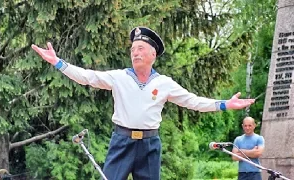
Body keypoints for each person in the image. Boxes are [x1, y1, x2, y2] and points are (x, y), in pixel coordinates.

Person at [32, 26, 255, 180]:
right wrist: (58, 63)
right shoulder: (119, 77)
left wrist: (225, 104)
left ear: (153, 55)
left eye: (140, 49)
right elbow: (87, 77)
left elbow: (192, 101)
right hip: (122, 142)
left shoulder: (164, 83)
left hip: (149, 146)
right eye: (132, 50)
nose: (135, 53)